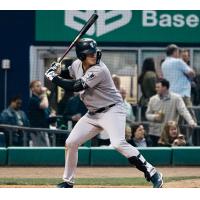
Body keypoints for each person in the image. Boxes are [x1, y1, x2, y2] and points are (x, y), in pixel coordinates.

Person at [45, 38, 163, 188]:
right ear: (81, 56)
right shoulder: (76, 64)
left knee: (118, 143)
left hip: (112, 110)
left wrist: (54, 78)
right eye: (89, 53)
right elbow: (69, 73)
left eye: (94, 52)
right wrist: (58, 70)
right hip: (93, 114)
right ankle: (68, 182)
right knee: (71, 142)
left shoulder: (99, 69)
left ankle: (153, 173)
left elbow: (76, 86)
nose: (94, 55)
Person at [146, 79, 197, 146]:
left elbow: (183, 111)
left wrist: (191, 121)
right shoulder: (153, 99)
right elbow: (147, 114)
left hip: (169, 135)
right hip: (154, 133)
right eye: (156, 87)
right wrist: (155, 117)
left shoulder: (176, 98)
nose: (156, 89)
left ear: (165, 87)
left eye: (158, 87)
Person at [161, 44, 196, 117]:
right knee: (190, 117)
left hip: (171, 93)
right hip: (183, 94)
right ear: (174, 52)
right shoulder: (178, 62)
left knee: (176, 119)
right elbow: (192, 73)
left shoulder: (163, 64)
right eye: (178, 52)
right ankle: (193, 128)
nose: (179, 54)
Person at [28, 80, 51, 146]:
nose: (40, 87)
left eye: (40, 85)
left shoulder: (39, 99)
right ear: (32, 89)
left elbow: (46, 109)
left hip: (43, 129)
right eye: (37, 86)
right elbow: (44, 105)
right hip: (37, 131)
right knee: (40, 152)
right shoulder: (33, 100)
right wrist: (44, 94)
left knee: (46, 151)